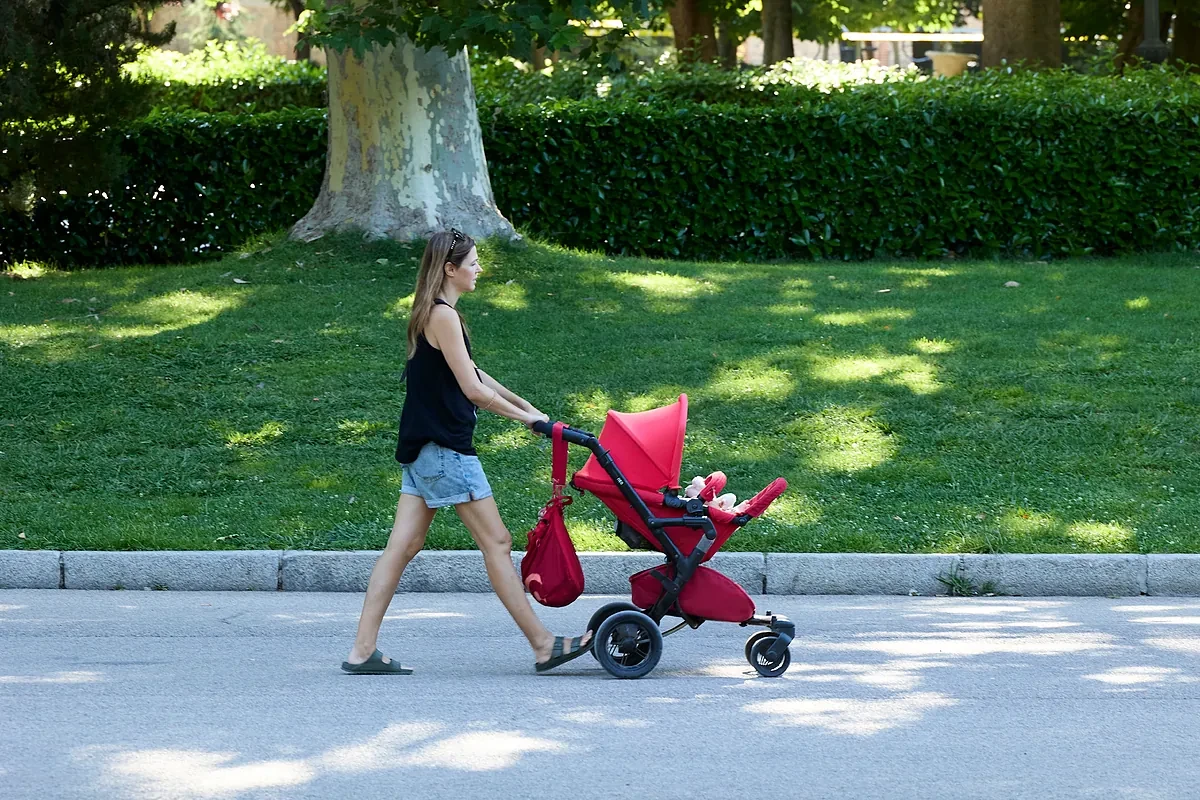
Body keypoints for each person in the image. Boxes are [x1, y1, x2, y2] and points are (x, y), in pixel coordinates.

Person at [342, 229, 592, 675]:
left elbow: (475, 372)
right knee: (496, 542)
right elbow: (474, 391)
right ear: (449, 269)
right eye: (473, 263)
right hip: (444, 452)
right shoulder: (443, 317)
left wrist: (529, 408)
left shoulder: (430, 313)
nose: (479, 269)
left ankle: (362, 650)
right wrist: (526, 421)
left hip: (422, 452)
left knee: (401, 547)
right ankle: (543, 644)